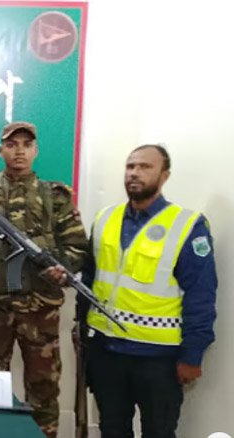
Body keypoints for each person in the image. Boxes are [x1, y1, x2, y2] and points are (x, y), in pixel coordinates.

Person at [0, 121, 88, 437]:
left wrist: (62, 269)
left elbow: (77, 246)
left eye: (26, 145)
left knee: (44, 389)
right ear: (1, 150)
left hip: (41, 311)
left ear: (36, 150)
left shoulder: (55, 197)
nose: (19, 151)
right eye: (12, 145)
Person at [80, 144, 217, 438]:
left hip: (158, 359)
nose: (134, 173)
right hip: (107, 351)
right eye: (130, 166)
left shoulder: (187, 226)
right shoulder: (105, 218)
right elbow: (89, 279)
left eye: (145, 167)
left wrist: (192, 355)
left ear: (164, 175)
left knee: (158, 432)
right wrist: (84, 336)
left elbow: (201, 296)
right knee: (112, 430)